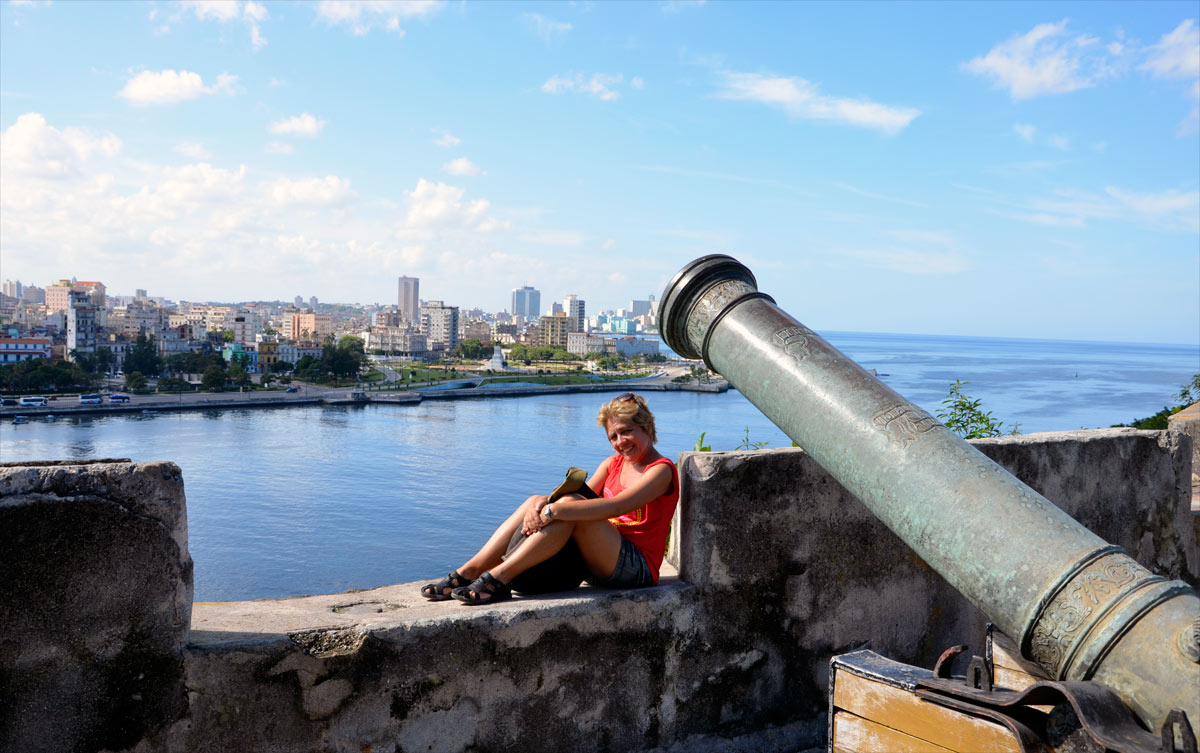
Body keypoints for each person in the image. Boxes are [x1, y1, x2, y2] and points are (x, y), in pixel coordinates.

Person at [420, 392, 679, 605]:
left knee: (566, 508)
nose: (621, 442)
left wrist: (552, 512)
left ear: (646, 427)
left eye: (627, 432)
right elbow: (576, 494)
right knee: (538, 500)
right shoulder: (613, 464)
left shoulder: (661, 471)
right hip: (599, 562)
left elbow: (617, 505)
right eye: (613, 436)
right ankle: (469, 571)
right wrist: (540, 506)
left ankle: (499, 577)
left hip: (637, 570)